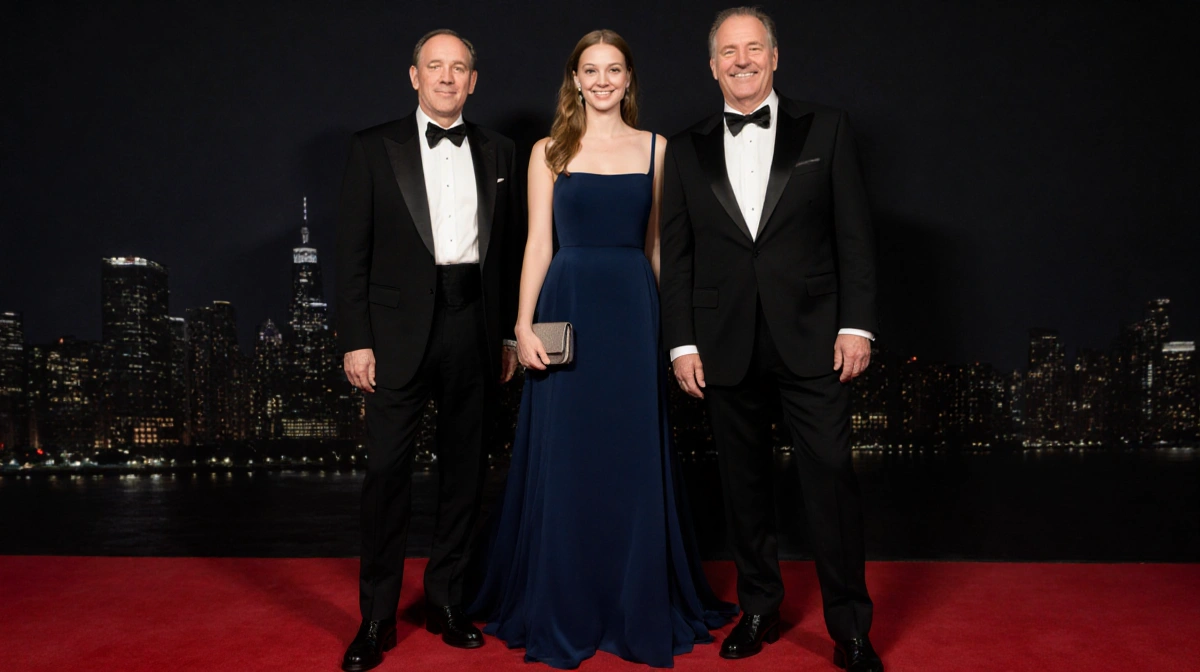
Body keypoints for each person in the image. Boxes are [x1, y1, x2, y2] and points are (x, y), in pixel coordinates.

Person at [468, 29, 735, 670]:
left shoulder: (658, 149)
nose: (603, 80)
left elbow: (658, 246)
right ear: (575, 79)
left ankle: (633, 599)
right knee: (568, 455)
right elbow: (538, 244)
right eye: (591, 70)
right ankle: (565, 599)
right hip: (568, 307)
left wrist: (674, 330)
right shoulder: (548, 150)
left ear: (629, 78)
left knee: (630, 455)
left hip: (633, 312)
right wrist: (522, 326)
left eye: (614, 69)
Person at [659, 7, 884, 672]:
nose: (742, 61)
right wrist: (681, 344)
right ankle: (759, 607)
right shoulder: (685, 148)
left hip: (815, 338)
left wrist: (856, 324)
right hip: (723, 341)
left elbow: (855, 235)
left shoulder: (828, 127)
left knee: (831, 478)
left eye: (753, 48)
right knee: (743, 485)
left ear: (775, 56)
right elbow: (678, 255)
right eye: (729, 52)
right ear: (712, 65)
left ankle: (850, 628)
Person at [334, 29, 525, 672]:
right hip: (395, 335)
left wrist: (507, 334)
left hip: (475, 325)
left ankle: (446, 601)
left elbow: (508, 251)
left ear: (474, 80)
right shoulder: (372, 147)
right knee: (387, 476)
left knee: (465, 473)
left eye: (459, 67)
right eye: (435, 66)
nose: (447, 77)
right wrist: (357, 339)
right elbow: (351, 253)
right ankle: (376, 618)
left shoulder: (501, 150)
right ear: (414, 76)